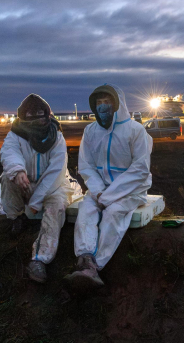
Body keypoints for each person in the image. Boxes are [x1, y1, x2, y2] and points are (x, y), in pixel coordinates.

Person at [64, 84, 153, 289]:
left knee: (114, 215)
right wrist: (98, 192)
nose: (103, 107)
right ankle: (85, 259)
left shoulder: (135, 130)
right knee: (86, 212)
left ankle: (95, 266)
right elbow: (86, 166)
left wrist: (109, 196)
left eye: (107, 102)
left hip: (131, 190)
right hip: (99, 190)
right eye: (99, 103)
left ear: (117, 104)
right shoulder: (91, 131)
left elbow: (140, 169)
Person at [0, 93, 72, 283]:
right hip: (28, 181)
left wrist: (37, 201)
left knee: (55, 208)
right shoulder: (15, 135)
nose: (37, 120)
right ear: (23, 117)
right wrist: (18, 171)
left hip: (55, 186)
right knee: (7, 178)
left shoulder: (56, 138)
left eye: (40, 114)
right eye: (31, 115)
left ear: (47, 114)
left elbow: (56, 172)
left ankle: (40, 259)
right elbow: (9, 153)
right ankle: (17, 217)